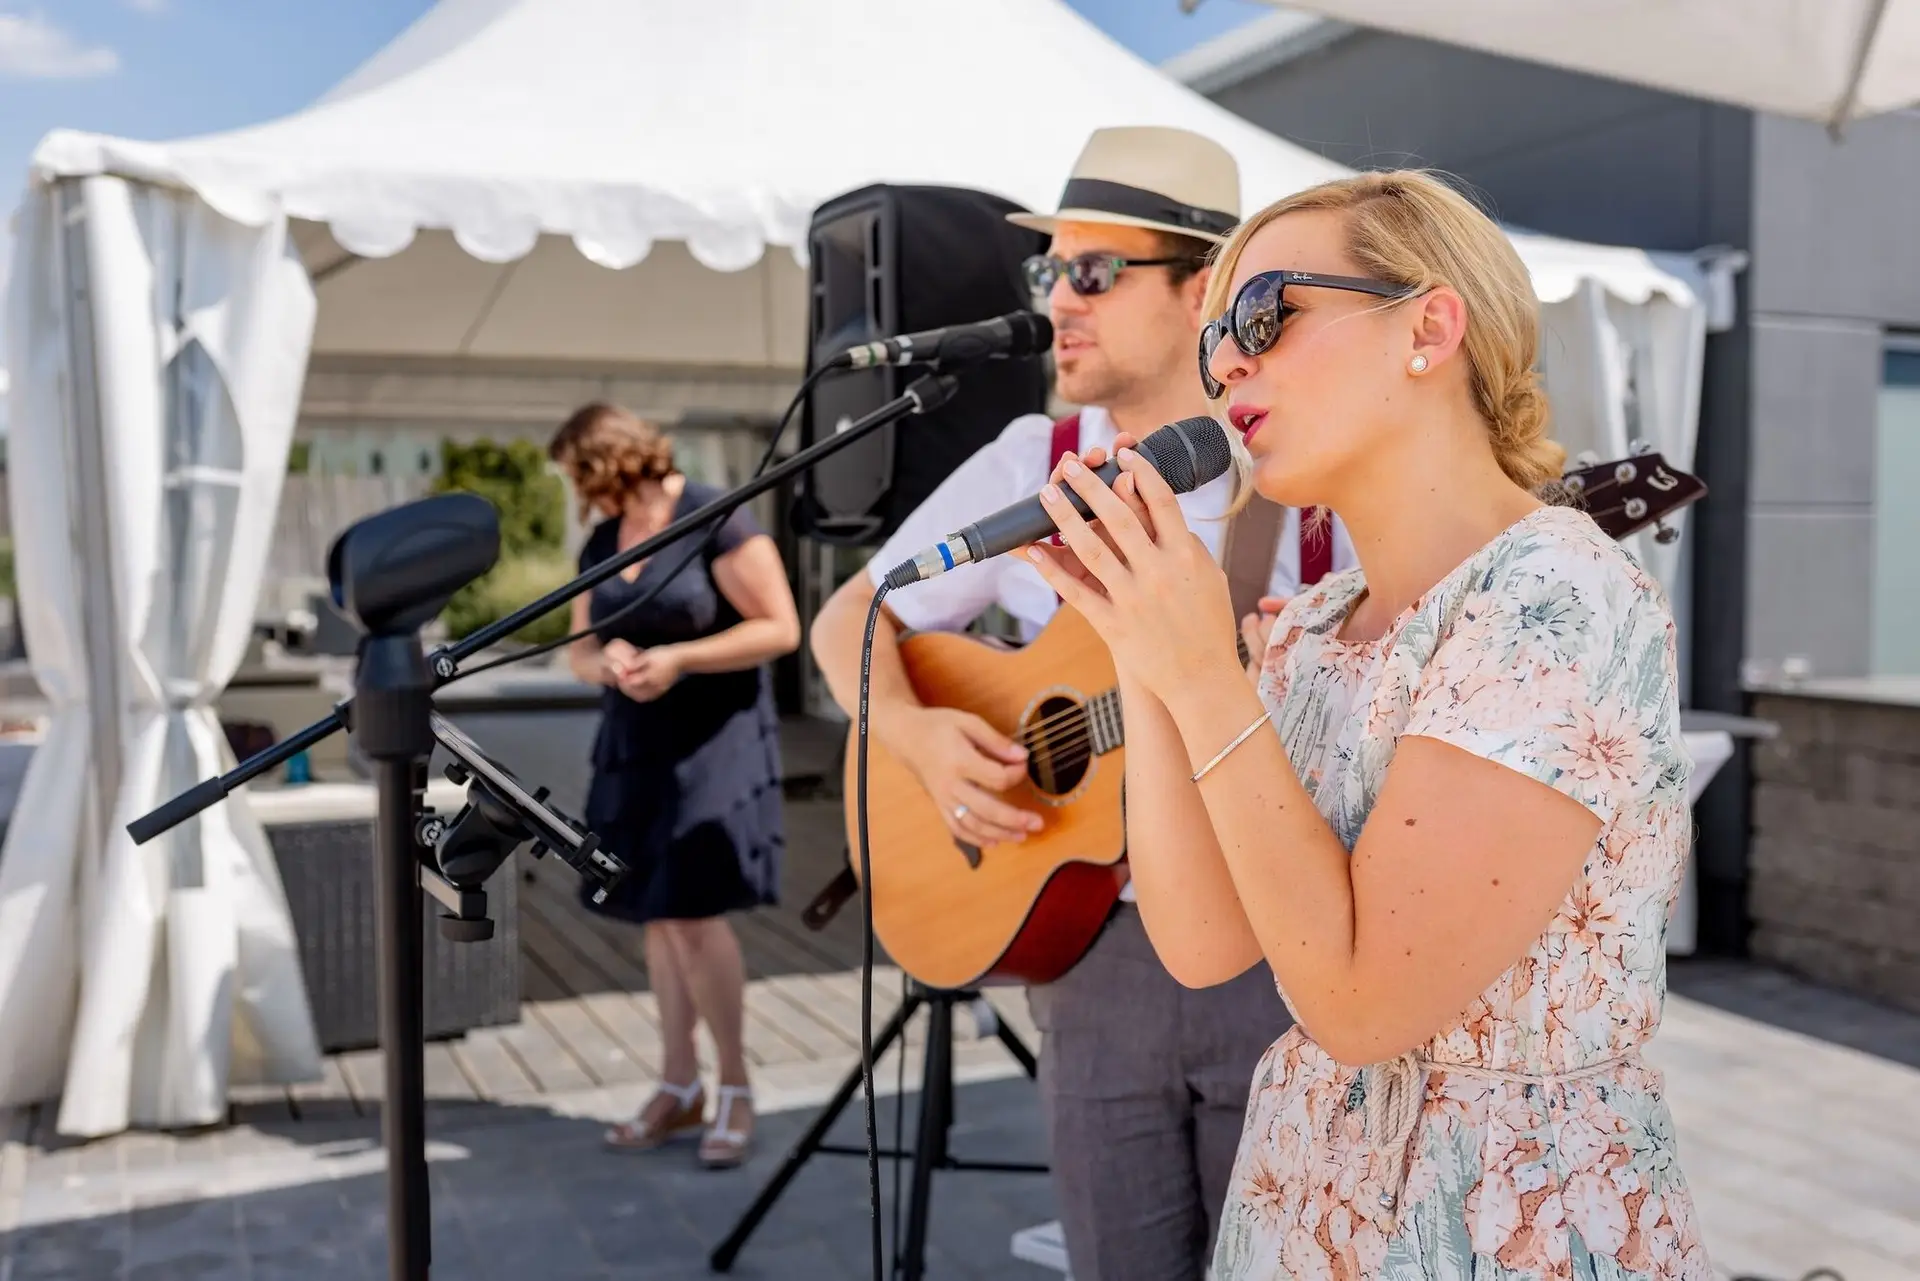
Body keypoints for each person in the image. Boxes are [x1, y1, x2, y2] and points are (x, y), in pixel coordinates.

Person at [1019, 169, 1710, 1279]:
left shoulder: (1557, 596)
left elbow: (1358, 1003)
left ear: (1430, 326)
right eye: (1212, 347)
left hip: (1500, 1219)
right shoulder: (1319, 622)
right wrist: (1141, 650)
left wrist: (1203, 675)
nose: (1228, 365)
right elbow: (1202, 944)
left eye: (1262, 318)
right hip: (1303, 1205)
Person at [809, 126, 1358, 1280]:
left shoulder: (1307, 479)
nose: (1061, 300)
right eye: (1048, 271)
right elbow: (850, 616)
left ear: (1205, 287)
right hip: (1091, 951)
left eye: (1096, 272)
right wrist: (911, 733)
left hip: (1278, 941)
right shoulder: (1033, 458)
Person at [550, 403, 800, 1170]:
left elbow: (781, 628)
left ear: (609, 460)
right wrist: (613, 662)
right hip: (636, 745)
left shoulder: (715, 516)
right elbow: (579, 650)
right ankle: (678, 1082)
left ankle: (735, 1086)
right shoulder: (602, 537)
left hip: (713, 742)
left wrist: (680, 659)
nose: (578, 492)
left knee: (693, 915)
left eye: (578, 473)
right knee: (659, 918)